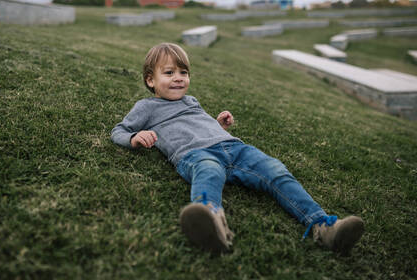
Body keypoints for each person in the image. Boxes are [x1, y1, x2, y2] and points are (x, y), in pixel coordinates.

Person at [111, 43, 364, 255]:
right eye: (169, 72)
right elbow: (118, 132)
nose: (178, 78)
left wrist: (218, 125)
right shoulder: (147, 107)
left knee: (276, 170)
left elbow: (200, 123)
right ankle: (212, 224)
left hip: (233, 147)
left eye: (183, 72)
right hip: (196, 155)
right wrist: (135, 137)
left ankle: (324, 227)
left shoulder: (192, 101)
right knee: (208, 173)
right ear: (150, 80)